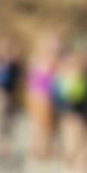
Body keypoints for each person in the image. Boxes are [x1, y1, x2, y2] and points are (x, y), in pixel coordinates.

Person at [25, 32, 61, 160]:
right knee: (42, 129)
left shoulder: (39, 58)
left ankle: (40, 155)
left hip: (42, 96)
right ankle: (39, 156)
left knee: (42, 129)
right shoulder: (44, 59)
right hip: (41, 97)